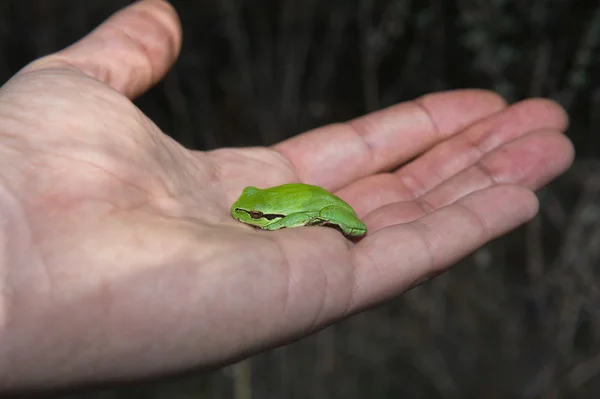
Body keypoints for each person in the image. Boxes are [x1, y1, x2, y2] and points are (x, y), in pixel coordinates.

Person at [0, 0, 574, 394]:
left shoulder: (287, 210)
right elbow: (258, 204)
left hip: (320, 204)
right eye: (252, 210)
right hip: (301, 197)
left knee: (340, 214)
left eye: (254, 214)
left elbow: (297, 205)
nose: (245, 214)